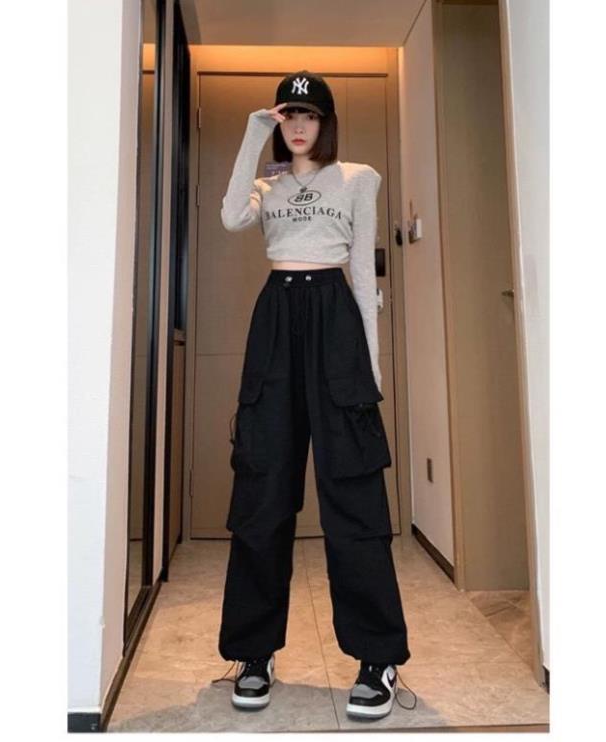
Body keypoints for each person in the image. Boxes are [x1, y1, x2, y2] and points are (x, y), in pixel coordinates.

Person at [211, 70, 415, 720]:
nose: (299, 126)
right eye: (289, 115)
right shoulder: (266, 186)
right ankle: (254, 651)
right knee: (262, 490)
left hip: (335, 320)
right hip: (276, 316)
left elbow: (361, 271)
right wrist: (254, 134)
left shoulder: (358, 177)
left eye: (311, 115)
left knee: (353, 494)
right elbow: (229, 217)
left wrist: (369, 370)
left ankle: (376, 657)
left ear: (327, 123)